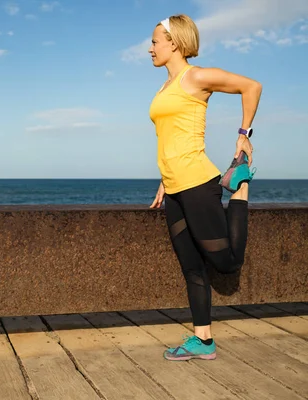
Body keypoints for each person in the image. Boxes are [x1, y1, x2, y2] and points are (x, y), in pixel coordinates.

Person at [147, 14, 262, 361]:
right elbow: (170, 138)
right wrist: (165, 180)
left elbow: (251, 86)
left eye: (155, 41)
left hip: (198, 183)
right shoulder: (164, 87)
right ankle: (203, 340)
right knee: (191, 267)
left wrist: (243, 136)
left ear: (175, 42)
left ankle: (239, 189)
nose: (150, 48)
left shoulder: (195, 77)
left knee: (226, 263)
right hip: (175, 188)